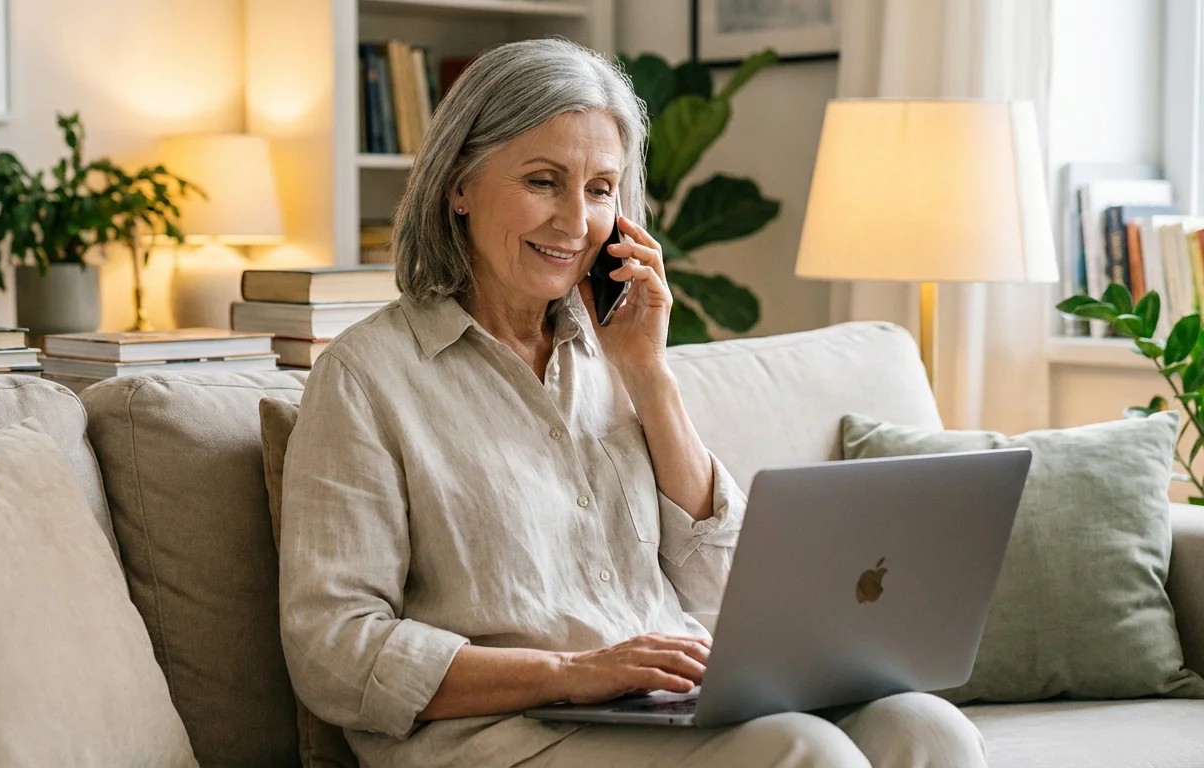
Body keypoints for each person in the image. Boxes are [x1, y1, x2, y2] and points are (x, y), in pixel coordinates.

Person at [278, 38, 987, 768]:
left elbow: (726, 591)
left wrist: (649, 374)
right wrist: (573, 674)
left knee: (927, 730)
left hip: (662, 708)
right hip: (504, 734)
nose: (575, 222)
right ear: (459, 183)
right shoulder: (366, 378)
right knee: (804, 753)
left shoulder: (617, 353)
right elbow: (333, 649)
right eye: (544, 181)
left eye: (599, 189)